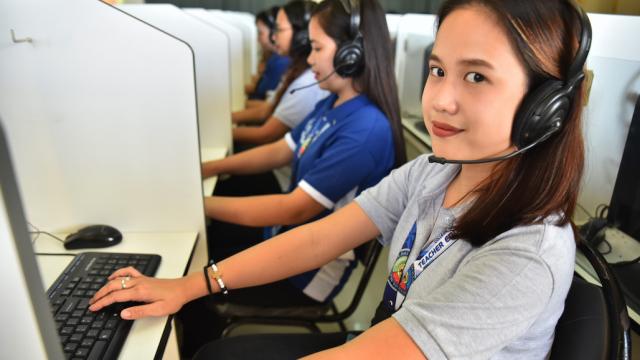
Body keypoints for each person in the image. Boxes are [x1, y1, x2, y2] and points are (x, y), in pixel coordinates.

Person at [89, 0, 589, 358]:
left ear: (547, 109)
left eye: (476, 76)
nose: (440, 99)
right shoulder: (436, 172)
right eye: (437, 70)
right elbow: (321, 236)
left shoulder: (527, 253)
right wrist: (191, 284)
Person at [232, 1, 330, 146]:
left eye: (279, 30)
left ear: (301, 36)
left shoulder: (306, 81)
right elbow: (268, 109)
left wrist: (220, 130)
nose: (273, 37)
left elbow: (265, 134)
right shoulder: (295, 69)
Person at [245, 6, 292, 102]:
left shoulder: (280, 62)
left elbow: (263, 97)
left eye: (260, 33)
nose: (258, 39)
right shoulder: (274, 59)